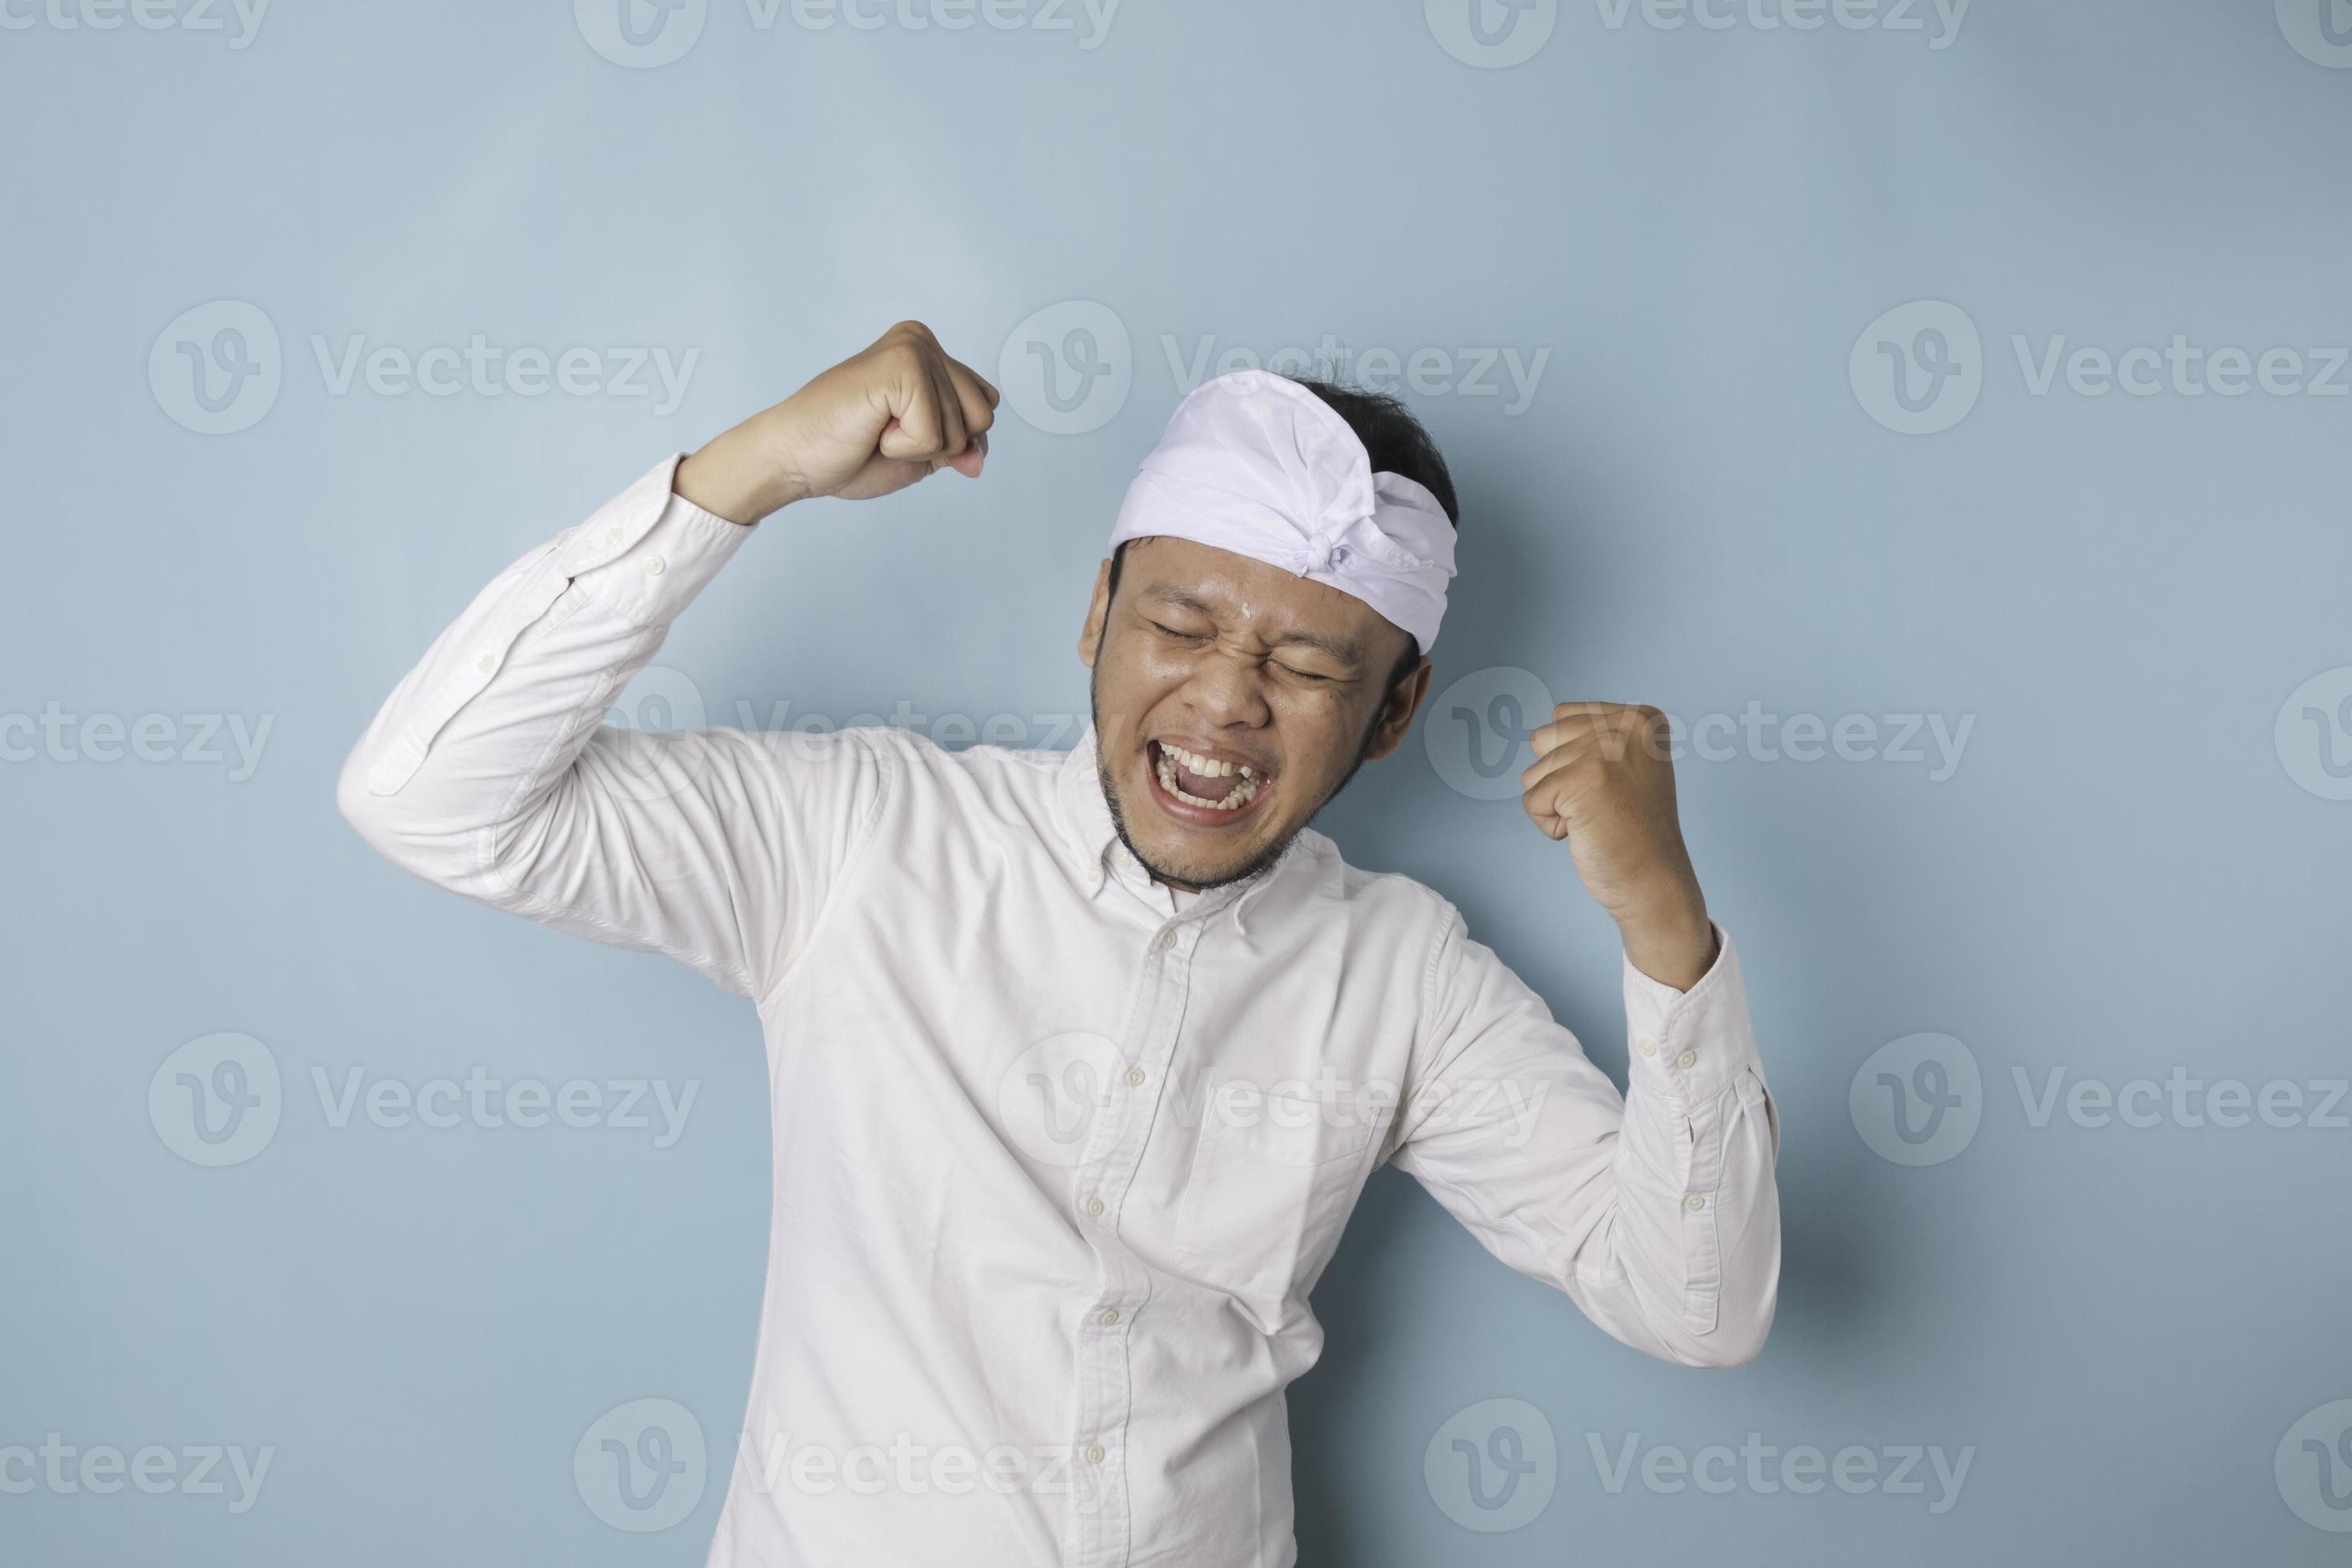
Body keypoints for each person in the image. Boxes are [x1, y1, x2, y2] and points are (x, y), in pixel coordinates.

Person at [337, 320, 1782, 1566]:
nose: (1225, 704)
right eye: (1181, 625)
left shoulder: (1404, 975)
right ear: (1096, 615)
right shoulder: (861, 839)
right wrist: (759, 467)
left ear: (1391, 716)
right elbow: (427, 795)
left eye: (1304, 666)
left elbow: (1691, 1301)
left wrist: (1665, 927)